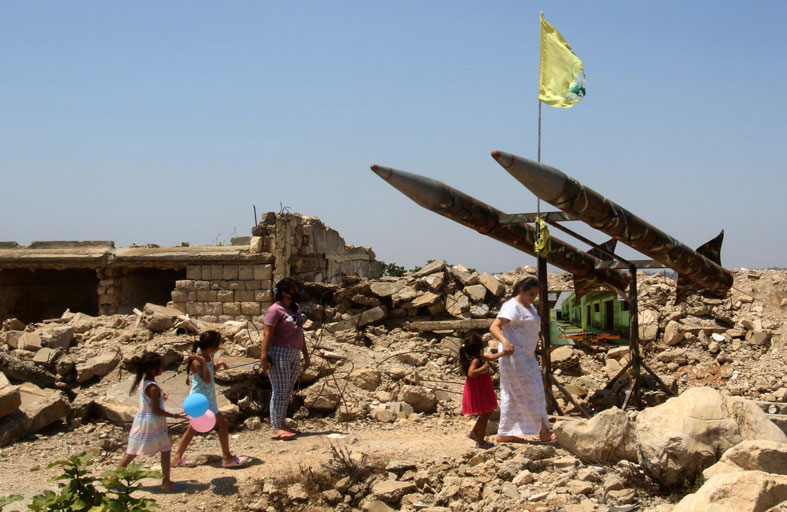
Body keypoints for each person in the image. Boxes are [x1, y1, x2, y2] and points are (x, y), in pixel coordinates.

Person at [489, 277, 556, 443]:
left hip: (527, 355)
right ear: (521, 290)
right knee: (530, 391)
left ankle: (505, 432)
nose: (533, 298)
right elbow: (494, 326)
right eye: (531, 294)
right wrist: (505, 342)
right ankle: (543, 431)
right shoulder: (512, 306)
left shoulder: (529, 306)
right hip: (514, 358)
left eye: (535, 295)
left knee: (516, 393)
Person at [171, 330, 249, 468]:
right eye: (217, 344)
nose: (219, 347)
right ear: (211, 346)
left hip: (208, 398)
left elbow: (210, 370)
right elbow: (206, 379)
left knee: (193, 428)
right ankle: (227, 458)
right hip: (201, 399)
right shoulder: (197, 361)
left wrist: (219, 364)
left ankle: (177, 457)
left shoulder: (207, 356)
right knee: (223, 423)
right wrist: (202, 361)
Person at [115, 352, 185, 492]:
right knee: (165, 450)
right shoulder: (152, 387)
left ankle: (113, 479)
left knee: (133, 451)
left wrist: (161, 393)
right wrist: (176, 416)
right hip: (152, 423)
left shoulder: (145, 382)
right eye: (160, 366)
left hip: (143, 421)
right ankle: (166, 482)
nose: (162, 368)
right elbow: (156, 410)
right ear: (153, 369)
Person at [259, 278, 311, 440]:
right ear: (283, 293)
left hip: (294, 353)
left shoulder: (295, 308)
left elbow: (299, 332)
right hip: (278, 353)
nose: (296, 294)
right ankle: (276, 427)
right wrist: (264, 358)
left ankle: (281, 423)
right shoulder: (274, 310)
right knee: (280, 390)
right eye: (293, 291)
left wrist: (306, 354)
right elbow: (268, 334)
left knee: (287, 390)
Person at [459, 332, 504, 449]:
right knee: (485, 415)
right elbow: (471, 373)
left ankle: (474, 432)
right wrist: (484, 368)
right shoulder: (476, 361)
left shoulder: (478, 358)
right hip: (480, 390)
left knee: (487, 412)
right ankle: (480, 442)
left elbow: (491, 357)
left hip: (482, 388)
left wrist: (504, 353)